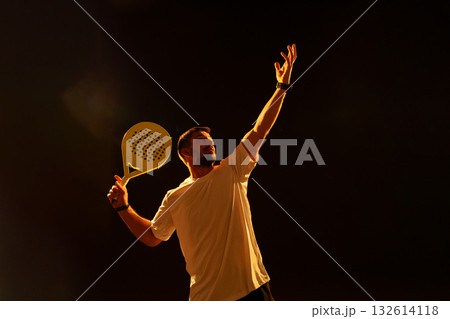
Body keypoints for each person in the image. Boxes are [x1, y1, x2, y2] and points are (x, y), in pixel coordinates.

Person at [107, 44, 297, 301]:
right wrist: (124, 208)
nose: (211, 144)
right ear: (186, 154)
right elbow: (153, 237)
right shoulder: (175, 196)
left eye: (211, 141)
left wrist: (281, 88)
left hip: (252, 292)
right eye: (202, 142)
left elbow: (259, 130)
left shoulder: (231, 171)